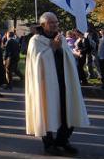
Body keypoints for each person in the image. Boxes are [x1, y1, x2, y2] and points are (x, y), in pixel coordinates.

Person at [25, 12, 89, 155]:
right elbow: (36, 62)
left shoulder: (60, 38)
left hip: (63, 81)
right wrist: (52, 48)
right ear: (43, 25)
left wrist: (62, 50)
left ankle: (62, 141)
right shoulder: (35, 40)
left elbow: (67, 56)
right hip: (45, 85)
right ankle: (48, 145)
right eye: (51, 22)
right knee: (46, 111)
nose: (55, 25)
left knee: (69, 111)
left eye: (56, 22)